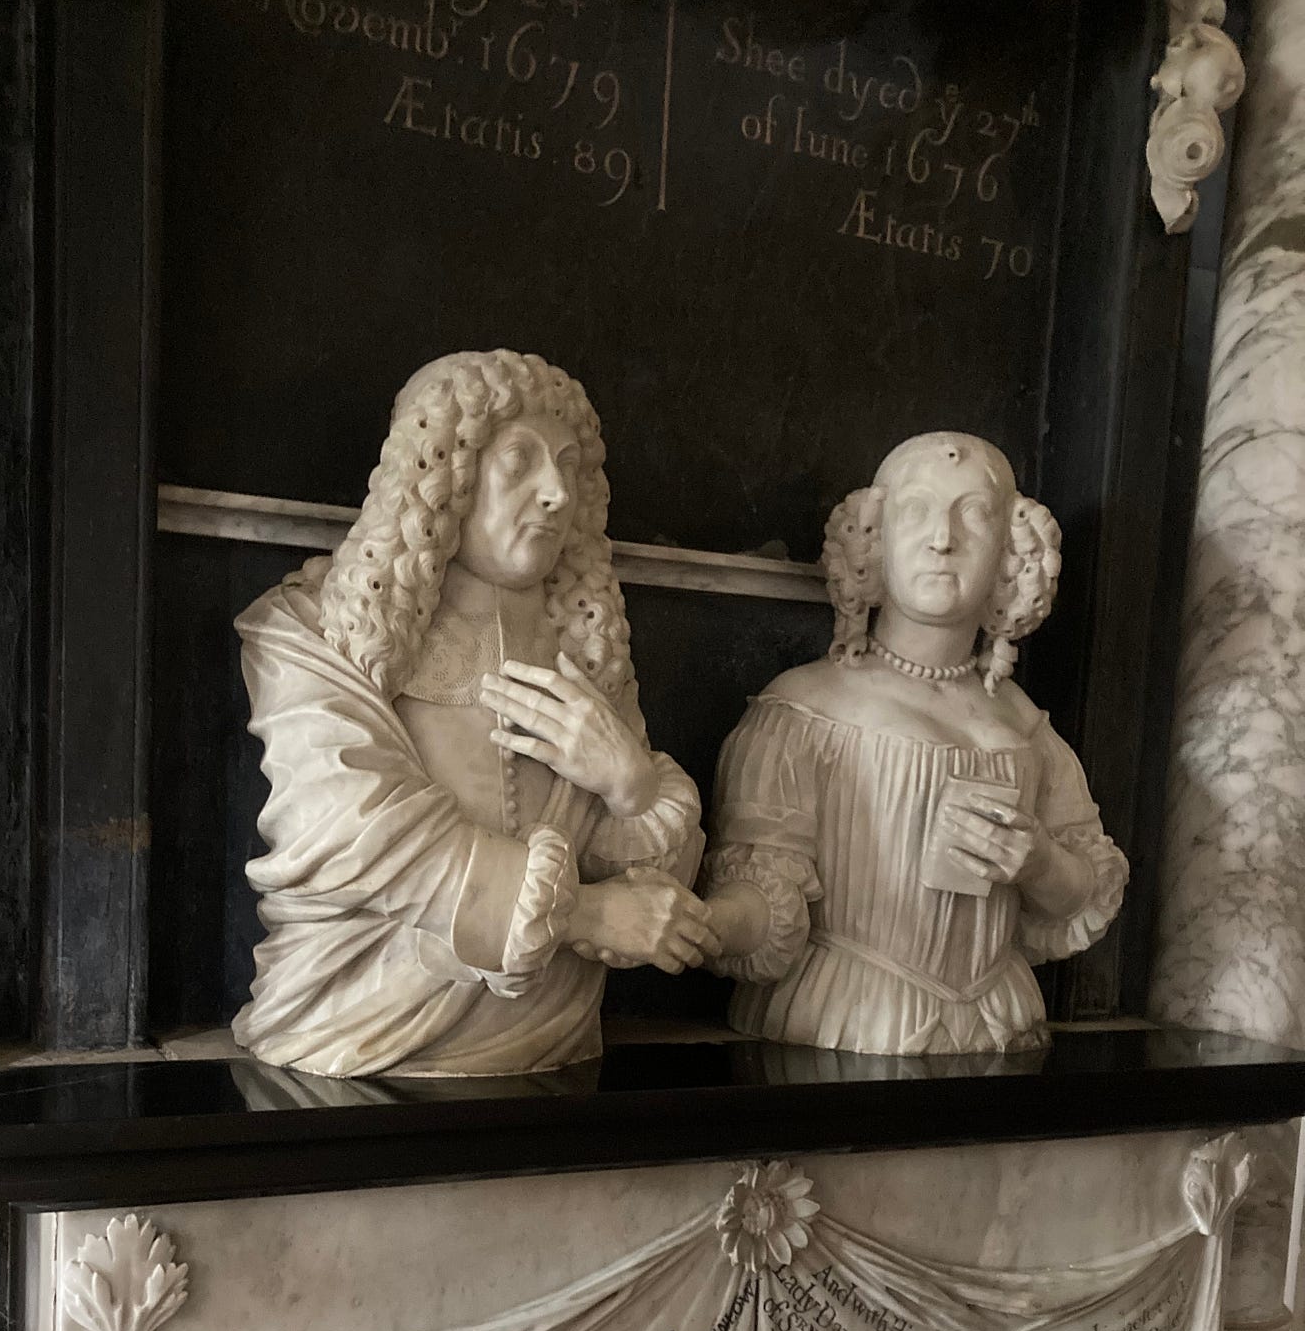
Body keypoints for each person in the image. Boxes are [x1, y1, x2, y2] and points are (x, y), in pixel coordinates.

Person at [233, 350, 711, 1077]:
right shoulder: (312, 629)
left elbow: (657, 900)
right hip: (360, 1030)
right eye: (520, 459)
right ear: (443, 472)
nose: (556, 492)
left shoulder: (585, 651)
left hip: (556, 1044)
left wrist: (632, 784)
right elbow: (351, 827)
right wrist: (581, 912)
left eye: (568, 465)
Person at [702, 432, 1127, 1056]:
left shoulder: (1025, 726)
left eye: (973, 514)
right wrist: (706, 925)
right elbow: (765, 896)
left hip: (1001, 1027)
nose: (942, 539)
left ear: (1011, 552)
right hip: (846, 1020)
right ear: (873, 537)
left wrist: (1039, 863)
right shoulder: (804, 711)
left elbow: (1085, 892)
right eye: (918, 509)